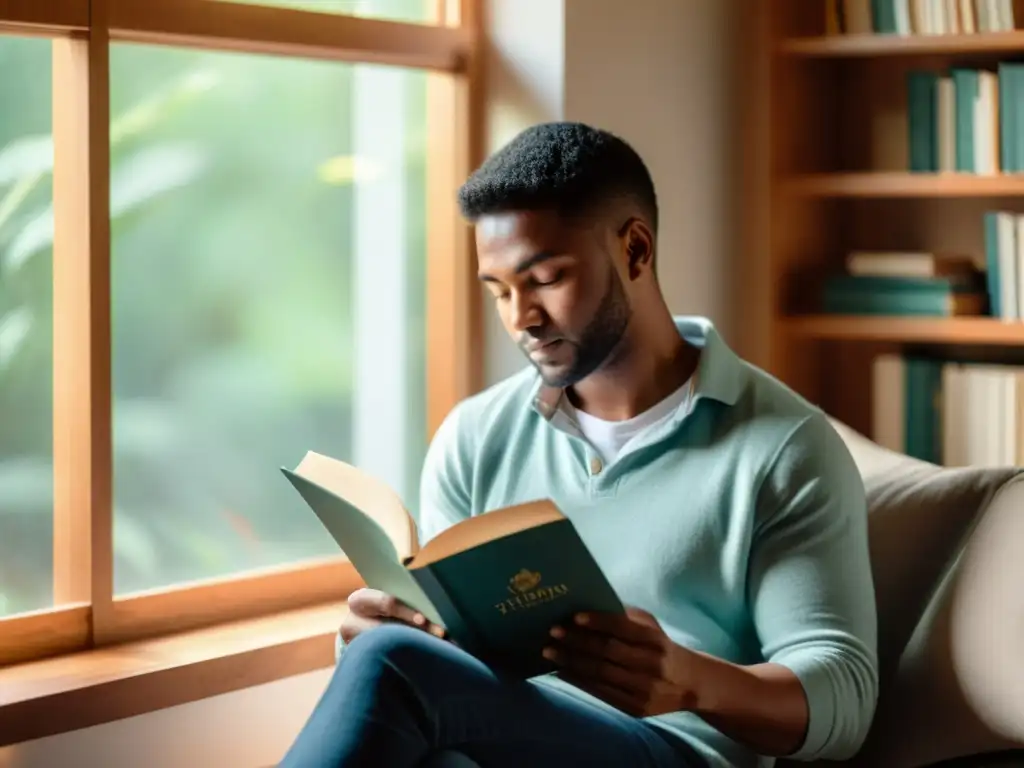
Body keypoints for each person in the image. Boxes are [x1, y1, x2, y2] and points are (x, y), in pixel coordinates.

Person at [278, 122, 878, 768]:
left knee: (393, 669)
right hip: (500, 738)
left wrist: (692, 680)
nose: (521, 318)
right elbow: (448, 664)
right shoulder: (476, 437)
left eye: (545, 278)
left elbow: (844, 695)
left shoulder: (784, 448)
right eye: (500, 290)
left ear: (636, 251)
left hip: (671, 750)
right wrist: (396, 630)